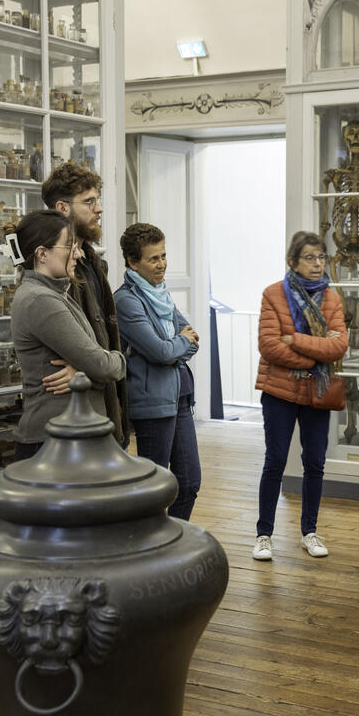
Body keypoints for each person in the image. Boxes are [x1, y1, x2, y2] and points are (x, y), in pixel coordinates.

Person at [251, 231, 348, 561]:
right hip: (279, 392)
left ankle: (310, 531)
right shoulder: (273, 295)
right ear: (292, 261)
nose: (317, 263)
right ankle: (264, 535)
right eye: (310, 257)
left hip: (316, 394)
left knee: (315, 463)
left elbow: (339, 346)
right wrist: (314, 358)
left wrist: (297, 340)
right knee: (275, 461)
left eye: (321, 257)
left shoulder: (331, 299)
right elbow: (269, 346)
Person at [10, 209, 126, 460]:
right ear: (42, 254)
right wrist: (116, 360)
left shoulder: (55, 294)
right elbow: (103, 365)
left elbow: (94, 363)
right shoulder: (40, 300)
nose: (79, 254)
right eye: (70, 247)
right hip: (54, 442)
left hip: (67, 437)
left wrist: (84, 371)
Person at [114, 223, 202, 520]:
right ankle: (148, 552)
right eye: (153, 259)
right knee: (153, 491)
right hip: (152, 405)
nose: (162, 264)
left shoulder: (160, 294)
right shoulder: (127, 300)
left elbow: (191, 340)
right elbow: (161, 351)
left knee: (189, 483)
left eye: (163, 256)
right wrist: (177, 346)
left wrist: (175, 347)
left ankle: (172, 545)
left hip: (179, 397)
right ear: (132, 262)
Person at [40, 162, 129, 445]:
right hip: (72, 419)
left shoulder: (91, 263)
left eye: (97, 201)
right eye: (89, 202)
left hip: (105, 404)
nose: (99, 209)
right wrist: (91, 368)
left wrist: (93, 368)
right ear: (63, 208)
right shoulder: (51, 273)